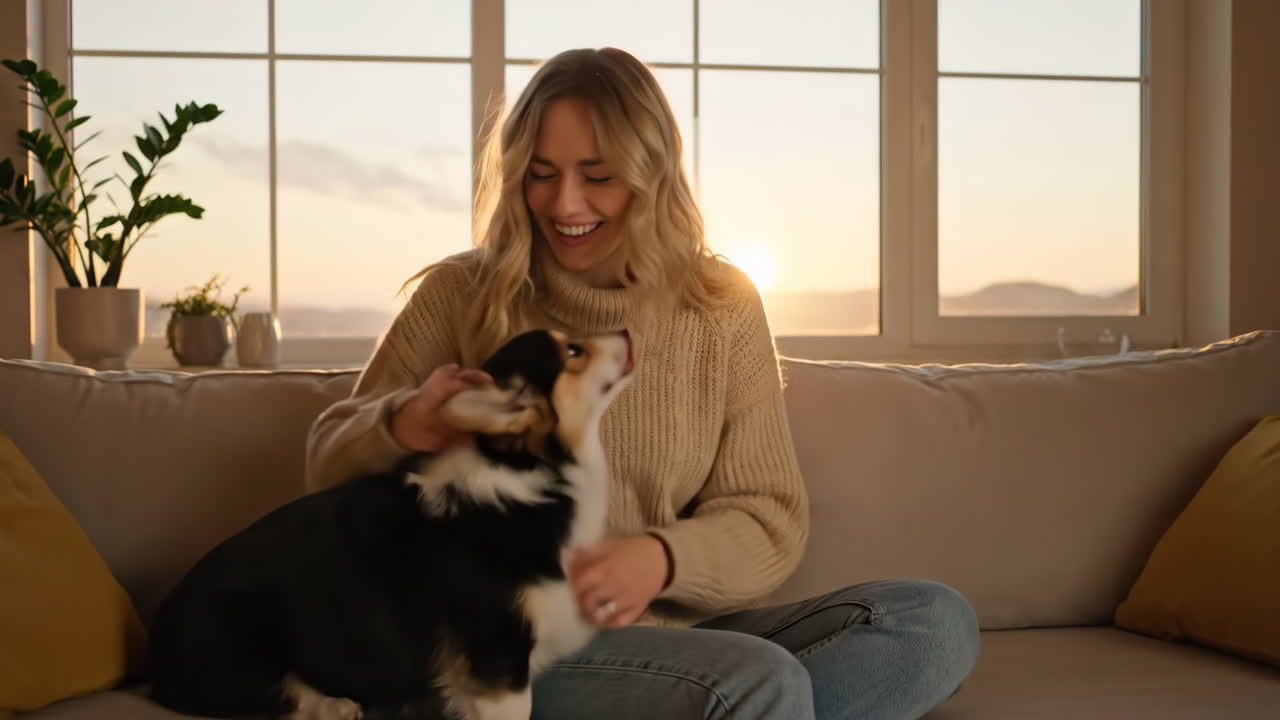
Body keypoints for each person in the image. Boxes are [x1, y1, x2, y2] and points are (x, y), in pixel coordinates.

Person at [306, 46, 979, 720]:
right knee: (760, 681)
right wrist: (400, 426)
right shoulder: (464, 294)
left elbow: (768, 516)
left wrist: (659, 559)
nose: (564, 203)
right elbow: (326, 466)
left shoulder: (722, 306)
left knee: (932, 624)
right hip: (505, 648)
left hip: (677, 644)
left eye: (596, 176)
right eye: (541, 174)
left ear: (650, 174)